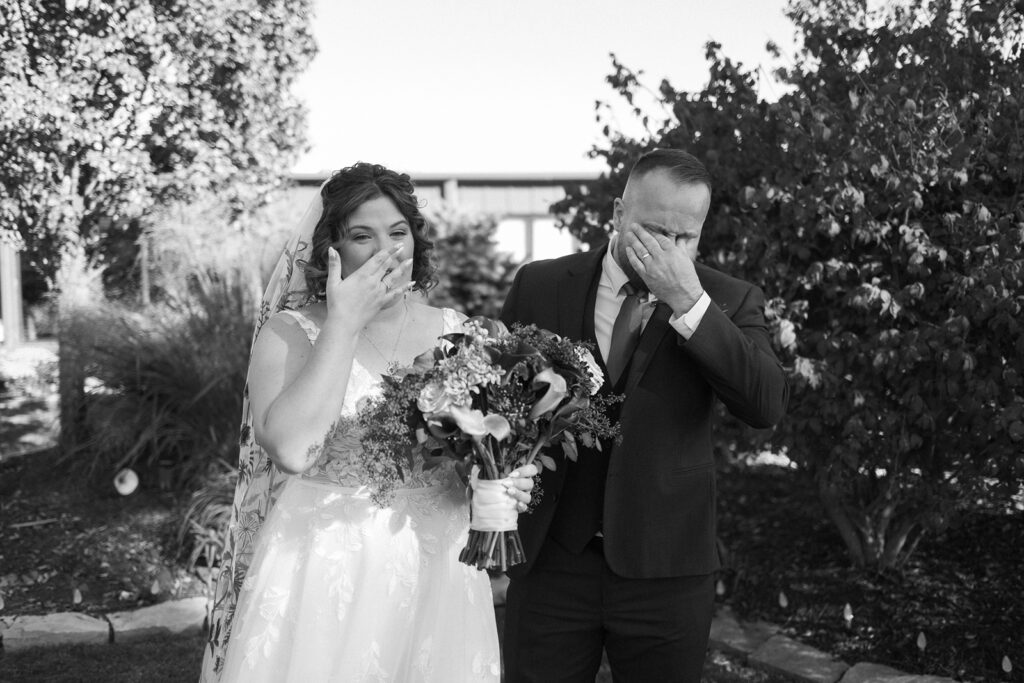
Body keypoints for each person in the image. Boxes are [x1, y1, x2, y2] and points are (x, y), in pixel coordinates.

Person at [200, 162, 536, 682]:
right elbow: (290, 450)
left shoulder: (461, 334)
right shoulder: (288, 335)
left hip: (438, 565)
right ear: (332, 249)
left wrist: (500, 480)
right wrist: (344, 322)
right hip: (326, 561)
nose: (388, 249)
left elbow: (482, 452)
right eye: (363, 235)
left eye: (398, 232)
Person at [499, 148, 789, 682]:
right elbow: (500, 403)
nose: (670, 249)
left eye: (686, 237)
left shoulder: (728, 299)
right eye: (654, 230)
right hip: (553, 562)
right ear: (617, 213)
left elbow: (764, 404)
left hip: (667, 570)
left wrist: (689, 303)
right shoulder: (540, 285)